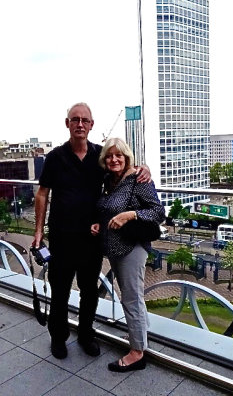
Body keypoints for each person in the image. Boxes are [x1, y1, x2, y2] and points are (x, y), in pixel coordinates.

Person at [33, 103, 150, 360]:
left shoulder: (100, 156)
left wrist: (144, 169)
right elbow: (42, 194)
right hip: (62, 238)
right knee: (60, 290)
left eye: (85, 120)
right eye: (75, 119)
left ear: (92, 125)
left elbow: (123, 168)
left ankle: (86, 334)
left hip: (91, 238)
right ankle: (59, 337)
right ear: (67, 124)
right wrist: (38, 231)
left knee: (89, 291)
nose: (80, 124)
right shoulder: (55, 157)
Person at [91, 137, 165, 372]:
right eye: (109, 156)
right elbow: (107, 209)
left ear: (127, 157)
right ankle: (139, 338)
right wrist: (98, 224)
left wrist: (130, 215)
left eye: (118, 155)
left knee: (131, 298)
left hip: (131, 248)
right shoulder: (109, 180)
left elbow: (158, 211)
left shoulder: (138, 179)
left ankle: (137, 353)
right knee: (132, 296)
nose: (114, 159)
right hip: (114, 247)